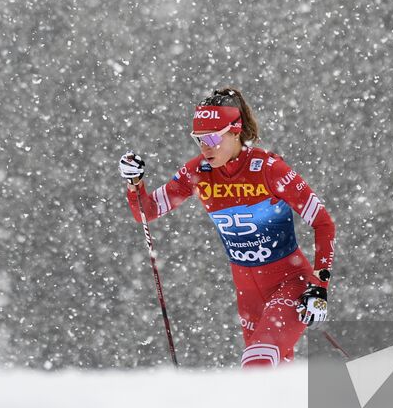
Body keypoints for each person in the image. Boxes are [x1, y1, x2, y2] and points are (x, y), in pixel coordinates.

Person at [118, 87, 336, 368]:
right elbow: (146, 212)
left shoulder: (269, 169)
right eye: (198, 140)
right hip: (247, 295)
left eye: (211, 138)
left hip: (290, 284)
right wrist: (134, 183)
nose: (205, 147)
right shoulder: (199, 172)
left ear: (235, 131)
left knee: (257, 364)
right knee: (272, 384)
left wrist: (319, 287)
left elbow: (323, 223)